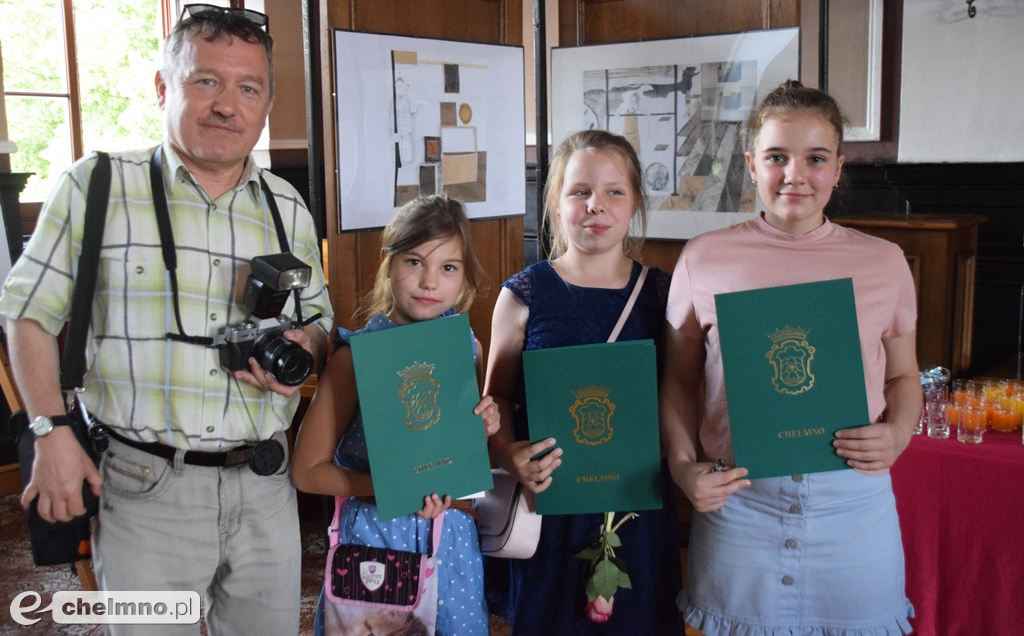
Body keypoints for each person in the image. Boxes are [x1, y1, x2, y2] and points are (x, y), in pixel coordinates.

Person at [0, 5, 333, 633]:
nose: (226, 105)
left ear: (266, 103)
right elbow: (26, 314)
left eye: (248, 87)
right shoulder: (96, 185)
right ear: (163, 87)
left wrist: (303, 344)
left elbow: (319, 315)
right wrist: (49, 433)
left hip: (266, 485)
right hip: (144, 489)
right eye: (205, 81)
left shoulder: (285, 204)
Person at [660, 80, 920, 635]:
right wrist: (683, 467)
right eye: (777, 157)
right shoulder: (704, 258)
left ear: (839, 167)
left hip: (852, 503)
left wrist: (897, 432)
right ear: (752, 164)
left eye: (815, 158)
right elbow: (680, 383)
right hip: (738, 503)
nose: (794, 175)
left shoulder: (884, 262)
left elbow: (903, 374)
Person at [484, 129, 682, 634]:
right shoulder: (524, 295)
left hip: (637, 507)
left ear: (635, 201)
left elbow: (683, 393)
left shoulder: (662, 294)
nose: (597, 205)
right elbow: (497, 399)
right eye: (580, 192)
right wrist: (510, 454)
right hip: (552, 505)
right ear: (555, 202)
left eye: (614, 191)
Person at [291, 194, 501, 636]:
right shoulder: (356, 358)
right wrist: (395, 491)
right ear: (388, 262)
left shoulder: (468, 350)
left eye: (448, 267)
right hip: (376, 537)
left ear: (463, 275)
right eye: (414, 262)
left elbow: (451, 457)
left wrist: (482, 429)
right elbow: (307, 472)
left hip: (450, 536)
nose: (430, 282)